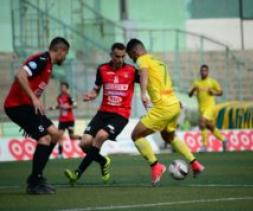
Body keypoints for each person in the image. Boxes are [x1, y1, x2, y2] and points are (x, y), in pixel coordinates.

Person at [126, 38, 205, 186]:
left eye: (131, 55)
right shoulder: (159, 62)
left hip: (162, 107)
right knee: (169, 136)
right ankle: (195, 164)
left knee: (136, 135)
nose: (132, 59)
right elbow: (161, 82)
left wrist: (143, 93)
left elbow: (143, 72)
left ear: (135, 51)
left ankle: (156, 166)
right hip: (174, 104)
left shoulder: (142, 60)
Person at [64, 42, 139, 185]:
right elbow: (96, 88)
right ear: (111, 55)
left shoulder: (131, 71)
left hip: (120, 115)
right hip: (103, 113)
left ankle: (77, 173)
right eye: (117, 56)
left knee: (100, 136)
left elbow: (147, 80)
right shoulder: (102, 69)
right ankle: (103, 161)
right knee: (84, 143)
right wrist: (92, 95)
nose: (121, 59)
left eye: (123, 56)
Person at [4, 37, 70, 194]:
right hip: (17, 107)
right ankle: (35, 181)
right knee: (45, 138)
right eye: (65, 53)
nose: (65, 57)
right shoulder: (41, 59)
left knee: (55, 134)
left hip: (28, 107)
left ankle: (36, 177)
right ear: (60, 51)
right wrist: (34, 99)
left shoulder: (48, 65)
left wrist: (34, 101)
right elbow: (20, 75)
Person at [188, 64, 227, 152]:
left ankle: (204, 145)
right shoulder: (196, 83)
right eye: (202, 70)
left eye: (205, 70)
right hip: (201, 108)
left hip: (210, 107)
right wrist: (193, 90)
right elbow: (189, 95)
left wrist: (213, 92)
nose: (203, 72)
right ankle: (223, 139)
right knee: (210, 127)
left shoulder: (212, 82)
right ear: (200, 72)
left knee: (201, 122)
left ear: (208, 72)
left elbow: (221, 92)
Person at [49, 81, 81, 158]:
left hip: (70, 120)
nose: (62, 89)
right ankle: (60, 154)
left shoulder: (69, 97)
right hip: (62, 120)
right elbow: (60, 106)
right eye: (61, 87)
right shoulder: (59, 97)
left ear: (67, 88)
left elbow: (75, 105)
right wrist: (53, 108)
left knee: (72, 137)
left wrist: (68, 107)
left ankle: (83, 138)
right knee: (59, 136)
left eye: (63, 87)